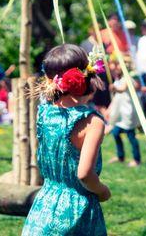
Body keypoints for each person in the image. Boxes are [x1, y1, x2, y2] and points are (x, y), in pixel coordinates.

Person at [22, 44, 110, 235]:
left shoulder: (44, 112)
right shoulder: (92, 122)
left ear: (49, 80)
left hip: (44, 205)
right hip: (77, 211)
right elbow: (85, 174)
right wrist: (102, 191)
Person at [107, 61, 141, 167]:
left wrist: (114, 88)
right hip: (120, 113)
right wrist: (109, 108)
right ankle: (120, 156)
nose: (115, 68)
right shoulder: (119, 79)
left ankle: (137, 159)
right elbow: (117, 97)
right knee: (116, 133)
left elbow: (122, 89)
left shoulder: (128, 79)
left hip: (128, 112)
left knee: (131, 136)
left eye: (118, 66)